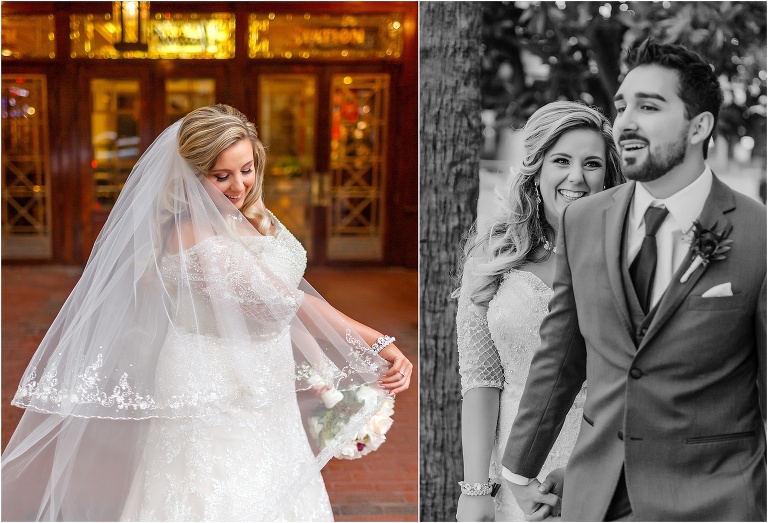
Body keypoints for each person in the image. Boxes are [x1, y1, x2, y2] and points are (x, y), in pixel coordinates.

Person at [1, 104, 413, 522]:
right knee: (221, 496)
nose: (240, 185)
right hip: (212, 382)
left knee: (277, 487)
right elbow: (284, 303)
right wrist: (376, 342)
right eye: (222, 176)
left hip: (266, 378)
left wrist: (322, 369)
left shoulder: (251, 215)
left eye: (247, 169)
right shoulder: (191, 235)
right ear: (191, 176)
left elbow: (285, 307)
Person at [503, 38, 766, 521]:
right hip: (597, 497)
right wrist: (519, 472)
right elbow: (561, 353)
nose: (625, 121)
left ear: (699, 126)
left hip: (716, 501)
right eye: (622, 105)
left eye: (649, 106)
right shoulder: (583, 220)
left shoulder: (758, 234)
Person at [454, 101, 623, 521]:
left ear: (608, 176)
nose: (576, 177)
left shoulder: (626, 255)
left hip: (603, 461)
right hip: (516, 472)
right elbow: (481, 381)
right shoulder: (493, 254)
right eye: (561, 161)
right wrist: (476, 489)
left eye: (592, 164)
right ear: (536, 168)